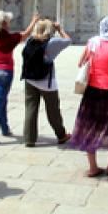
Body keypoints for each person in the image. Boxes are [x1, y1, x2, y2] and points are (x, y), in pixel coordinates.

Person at [70, 16, 108, 177]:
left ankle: (93, 167)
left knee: (90, 127)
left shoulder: (92, 43)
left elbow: (80, 63)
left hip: (92, 92)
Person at [0, 10, 38, 145]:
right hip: (5, 73)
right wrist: (34, 21)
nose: (10, 24)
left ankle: (5, 128)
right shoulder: (11, 38)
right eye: (8, 22)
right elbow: (26, 34)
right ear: (4, 24)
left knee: (2, 99)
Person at [21, 18, 72, 147]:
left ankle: (29, 139)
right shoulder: (52, 42)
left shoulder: (29, 40)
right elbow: (68, 40)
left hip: (30, 79)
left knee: (30, 109)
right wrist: (60, 29)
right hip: (46, 82)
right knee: (53, 110)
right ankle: (61, 135)